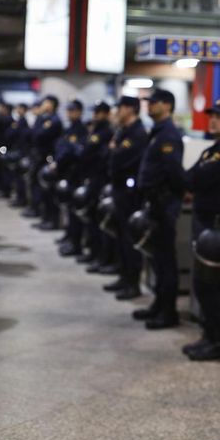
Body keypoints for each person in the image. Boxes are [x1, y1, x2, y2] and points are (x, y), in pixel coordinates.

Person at [182, 99, 220, 360]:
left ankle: (217, 340)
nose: (214, 120)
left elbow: (197, 178)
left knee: (210, 285)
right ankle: (209, 335)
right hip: (204, 222)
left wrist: (191, 181)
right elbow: (192, 175)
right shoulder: (214, 148)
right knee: (202, 283)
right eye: (212, 116)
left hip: (216, 226)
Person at [133, 89, 185, 330]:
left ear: (167, 106)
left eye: (153, 103)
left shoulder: (169, 135)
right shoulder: (157, 132)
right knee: (156, 259)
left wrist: (167, 198)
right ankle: (158, 304)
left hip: (164, 204)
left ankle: (168, 311)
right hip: (155, 203)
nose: (149, 106)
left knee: (165, 261)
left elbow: (174, 172)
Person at [104, 96, 149, 301]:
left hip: (130, 194)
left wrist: (114, 150)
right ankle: (124, 276)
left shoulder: (137, 133)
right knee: (121, 236)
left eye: (120, 107)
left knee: (130, 238)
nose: (118, 111)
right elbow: (112, 155)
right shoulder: (123, 131)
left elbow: (121, 159)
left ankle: (133, 283)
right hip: (119, 190)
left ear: (131, 109)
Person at [76, 101, 114, 266]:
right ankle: (93, 252)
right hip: (92, 177)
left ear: (106, 113)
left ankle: (101, 256)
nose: (95, 115)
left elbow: (90, 152)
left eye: (99, 112)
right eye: (95, 112)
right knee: (90, 218)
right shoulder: (96, 130)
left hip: (100, 180)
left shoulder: (105, 132)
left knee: (98, 221)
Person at [56, 99, 88, 257]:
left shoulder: (81, 130)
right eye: (69, 110)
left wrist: (67, 150)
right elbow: (61, 148)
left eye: (73, 110)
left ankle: (76, 244)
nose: (70, 113)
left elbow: (77, 152)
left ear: (80, 112)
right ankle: (70, 237)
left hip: (77, 175)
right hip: (67, 173)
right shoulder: (69, 129)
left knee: (76, 213)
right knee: (69, 210)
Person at [30, 95, 63, 229]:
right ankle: (46, 218)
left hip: (49, 159)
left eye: (46, 102)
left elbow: (39, 135)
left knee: (50, 192)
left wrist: (40, 118)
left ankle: (52, 221)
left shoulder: (54, 120)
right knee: (43, 191)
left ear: (52, 104)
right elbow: (34, 134)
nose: (43, 104)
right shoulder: (45, 119)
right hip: (42, 158)